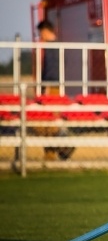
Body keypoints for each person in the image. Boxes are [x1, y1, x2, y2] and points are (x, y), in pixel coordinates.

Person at [34, 19, 74, 161]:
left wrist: (47, 87)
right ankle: (53, 152)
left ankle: (63, 147)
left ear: (45, 31)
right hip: (55, 87)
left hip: (52, 88)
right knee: (49, 122)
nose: (41, 36)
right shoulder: (57, 46)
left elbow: (51, 70)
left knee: (48, 123)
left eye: (41, 33)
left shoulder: (52, 47)